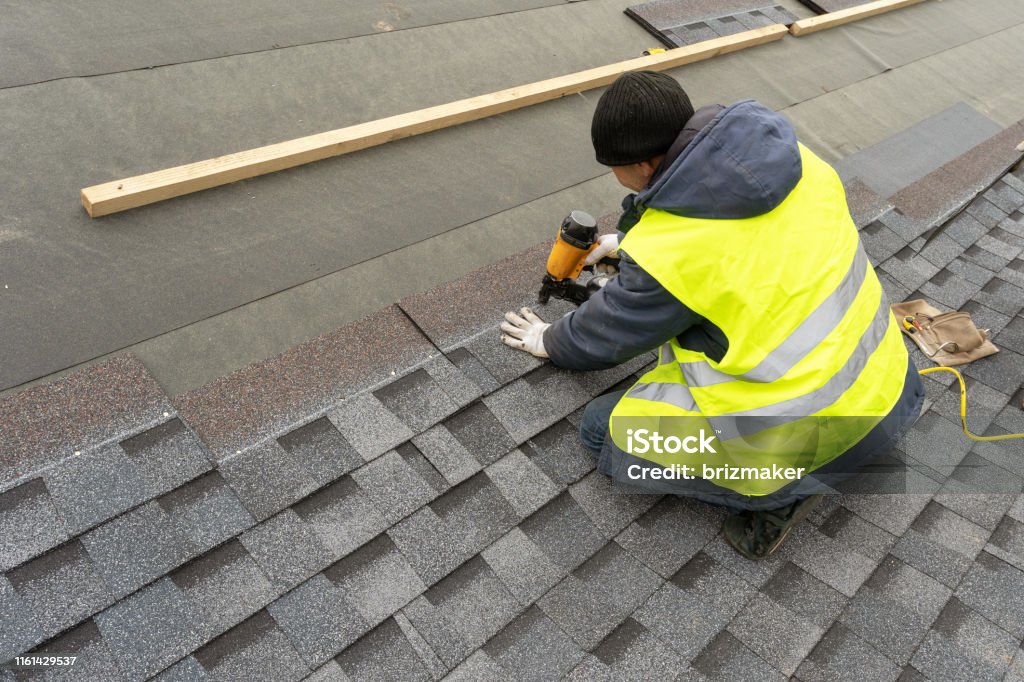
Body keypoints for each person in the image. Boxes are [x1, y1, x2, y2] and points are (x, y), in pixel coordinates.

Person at [500, 70, 924, 560]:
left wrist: (547, 340)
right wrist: (632, 247)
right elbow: (745, 246)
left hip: (817, 430)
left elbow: (601, 339)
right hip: (887, 387)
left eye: (613, 168)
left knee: (603, 432)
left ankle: (774, 495)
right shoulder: (799, 163)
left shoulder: (674, 257)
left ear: (640, 165)